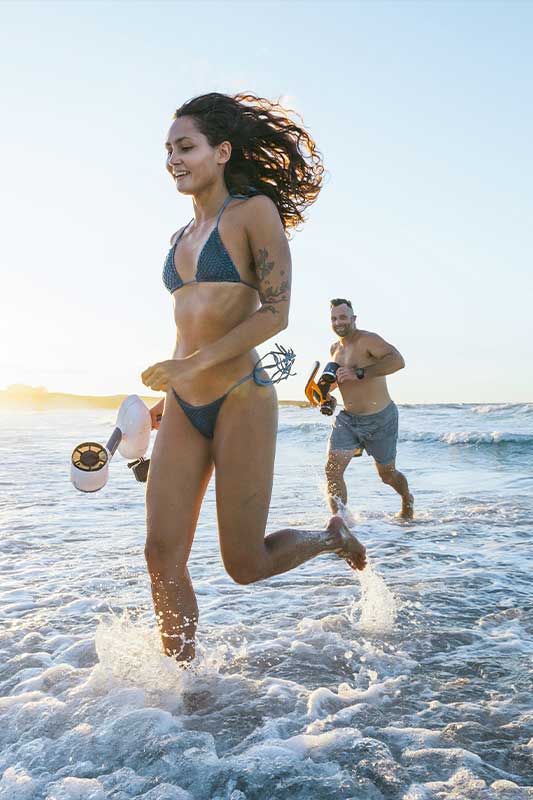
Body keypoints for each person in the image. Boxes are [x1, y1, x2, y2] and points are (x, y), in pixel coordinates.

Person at [141, 94, 367, 664]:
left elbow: (275, 313)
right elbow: (188, 328)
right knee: (160, 553)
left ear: (221, 152)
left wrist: (193, 366)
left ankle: (330, 538)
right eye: (168, 150)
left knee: (243, 565)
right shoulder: (177, 239)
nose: (174, 158)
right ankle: (182, 692)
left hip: (241, 395)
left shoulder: (253, 212)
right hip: (183, 402)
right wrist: (169, 390)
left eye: (186, 147)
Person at [324, 298, 414, 519]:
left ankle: (407, 499)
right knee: (332, 471)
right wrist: (327, 397)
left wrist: (360, 373)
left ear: (353, 318)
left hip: (380, 419)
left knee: (387, 475)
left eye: (343, 317)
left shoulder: (368, 340)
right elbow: (339, 382)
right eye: (334, 318)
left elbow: (397, 361)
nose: (338, 322)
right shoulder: (335, 349)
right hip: (348, 420)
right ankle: (341, 525)